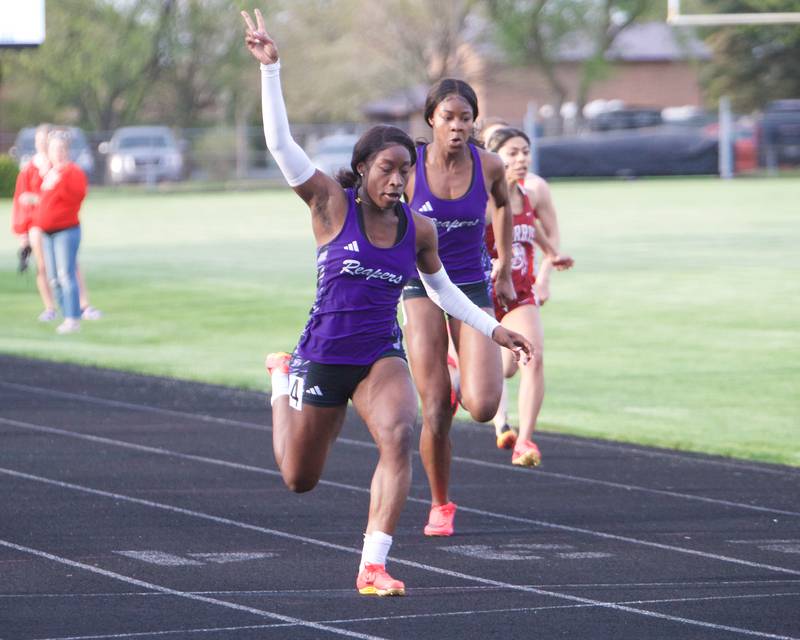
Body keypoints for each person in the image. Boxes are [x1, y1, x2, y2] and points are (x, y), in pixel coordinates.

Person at [241, 9, 532, 597]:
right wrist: (272, 71)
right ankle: (280, 379)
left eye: (404, 171)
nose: (398, 180)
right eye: (387, 170)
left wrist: (492, 329)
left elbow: (442, 288)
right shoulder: (329, 203)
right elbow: (278, 144)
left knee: (402, 431)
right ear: (363, 169)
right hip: (324, 353)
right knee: (299, 478)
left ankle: (372, 564)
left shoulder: (418, 229)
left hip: (379, 353)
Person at [401, 78, 515, 538]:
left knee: (484, 406)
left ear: (474, 122)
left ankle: (455, 375)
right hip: (421, 288)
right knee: (434, 412)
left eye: (465, 118)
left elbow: (504, 206)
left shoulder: (488, 165)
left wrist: (504, 263)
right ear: (432, 119)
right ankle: (441, 504)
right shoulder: (410, 169)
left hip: (470, 286)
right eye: (448, 117)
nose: (457, 126)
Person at [484, 127, 574, 465]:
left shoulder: (525, 194)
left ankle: (524, 442)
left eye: (525, 152)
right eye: (513, 153)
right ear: (495, 159)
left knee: (533, 357)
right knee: (501, 372)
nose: (522, 159)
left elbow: (530, 225)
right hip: (483, 295)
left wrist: (551, 254)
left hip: (519, 294)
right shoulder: (481, 201)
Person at [11, 124, 102, 323]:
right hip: (38, 224)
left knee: (68, 267)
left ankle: (80, 307)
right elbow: (21, 200)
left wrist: (39, 196)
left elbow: (68, 196)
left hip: (61, 224)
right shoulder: (31, 170)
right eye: (41, 140)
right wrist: (22, 232)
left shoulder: (63, 170)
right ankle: (53, 308)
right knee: (47, 269)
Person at [33, 132, 89, 334]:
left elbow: (76, 197)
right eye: (54, 149)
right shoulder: (49, 173)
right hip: (47, 232)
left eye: (61, 149)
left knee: (67, 274)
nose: (58, 153)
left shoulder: (72, 172)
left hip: (66, 230)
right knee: (54, 277)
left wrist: (59, 181)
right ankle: (66, 314)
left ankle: (73, 318)